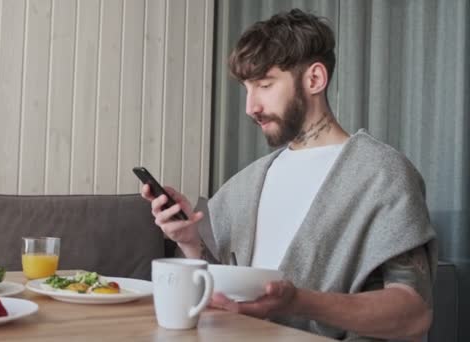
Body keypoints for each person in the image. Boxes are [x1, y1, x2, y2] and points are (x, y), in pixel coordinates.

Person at [141, 8, 436, 342]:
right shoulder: (247, 184)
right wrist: (190, 241)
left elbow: (414, 313)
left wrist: (299, 301)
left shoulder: (382, 175)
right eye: (247, 89)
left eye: (265, 85)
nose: (251, 106)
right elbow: (227, 294)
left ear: (314, 79)